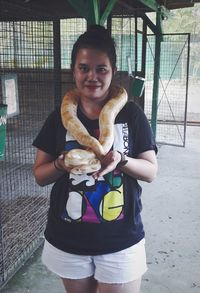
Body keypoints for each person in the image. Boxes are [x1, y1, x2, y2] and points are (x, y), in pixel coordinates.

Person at [33, 25, 158, 293]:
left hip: (121, 240)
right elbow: (40, 176)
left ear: (112, 72)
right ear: (73, 71)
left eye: (101, 68)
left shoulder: (131, 115)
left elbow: (150, 172)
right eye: (84, 67)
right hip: (68, 239)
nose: (92, 76)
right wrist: (60, 164)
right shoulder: (58, 118)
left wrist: (121, 159)